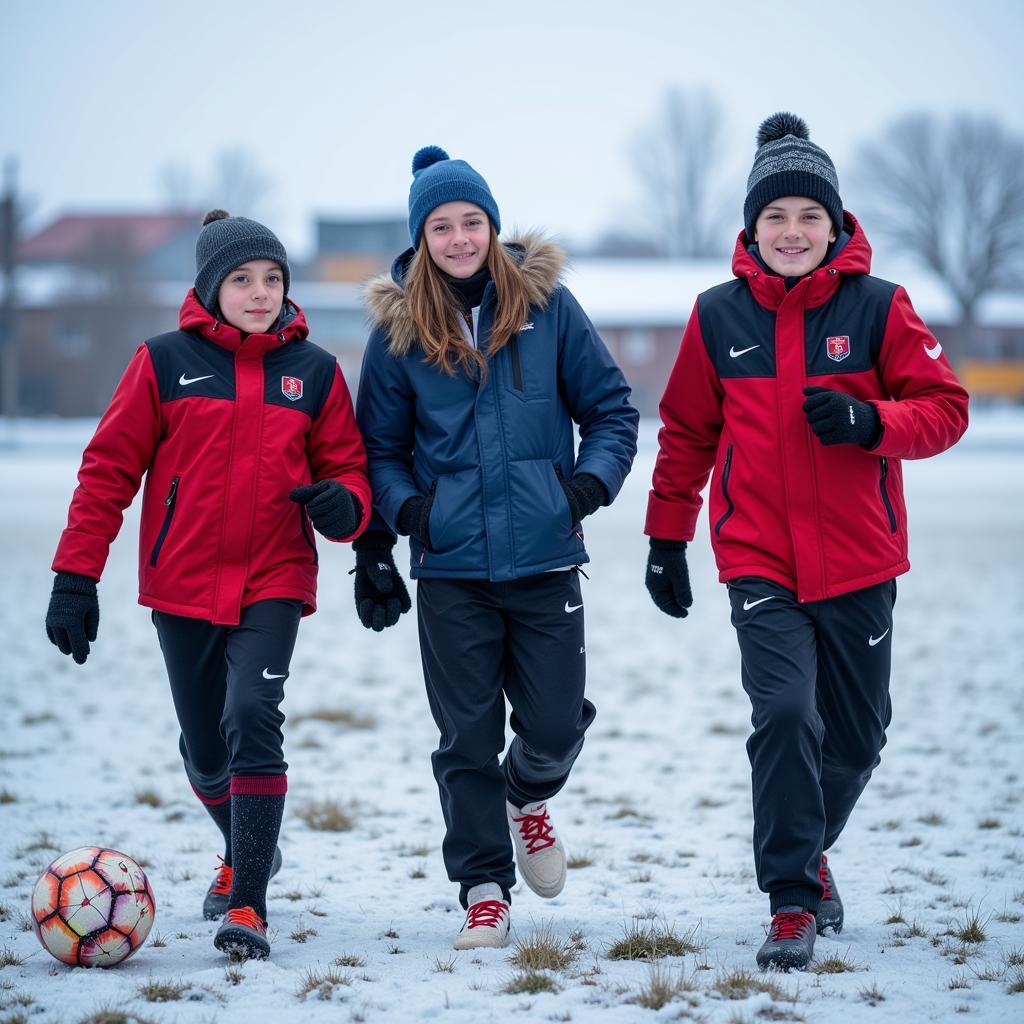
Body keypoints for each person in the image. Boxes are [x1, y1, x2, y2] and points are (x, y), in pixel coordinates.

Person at [644, 113, 969, 970]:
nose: (792, 233)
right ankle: (790, 900)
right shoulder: (717, 316)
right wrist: (666, 537)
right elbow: (685, 432)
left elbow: (945, 409)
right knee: (786, 715)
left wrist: (871, 420)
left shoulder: (879, 306)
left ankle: (808, 851)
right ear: (752, 229)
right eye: (776, 218)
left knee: (858, 739)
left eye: (808, 218)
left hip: (860, 557)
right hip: (759, 559)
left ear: (835, 226)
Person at [45, 210, 371, 960]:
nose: (260, 293)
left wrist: (343, 505)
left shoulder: (315, 372)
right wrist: (74, 576)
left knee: (253, 716)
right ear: (209, 287)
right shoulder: (161, 361)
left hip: (274, 577)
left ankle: (248, 902)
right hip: (182, 581)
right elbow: (108, 471)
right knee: (203, 746)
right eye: (242, 279)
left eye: (273, 279)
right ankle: (247, 842)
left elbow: (349, 472)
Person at [353, 146, 638, 949]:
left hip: (547, 558)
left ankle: (529, 797)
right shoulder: (399, 329)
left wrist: (585, 488)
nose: (458, 237)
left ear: (492, 225)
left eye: (470, 221)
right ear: (421, 237)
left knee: (552, 724)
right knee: (466, 738)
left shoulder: (549, 308)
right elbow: (376, 445)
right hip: (451, 570)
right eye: (440, 226)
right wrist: (410, 513)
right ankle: (484, 888)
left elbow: (614, 411)